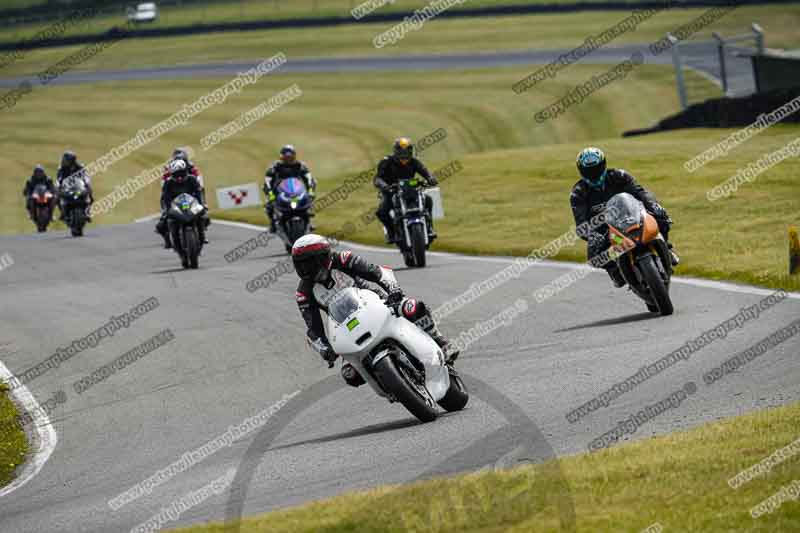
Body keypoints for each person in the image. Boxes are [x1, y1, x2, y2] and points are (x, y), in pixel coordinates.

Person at [292, 234, 459, 387]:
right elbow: (313, 329)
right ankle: (392, 386)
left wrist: (393, 290)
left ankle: (441, 342)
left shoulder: (344, 259)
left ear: (324, 256)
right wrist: (325, 349)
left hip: (377, 303)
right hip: (346, 327)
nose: (307, 269)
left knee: (413, 307)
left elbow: (377, 272)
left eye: (310, 263)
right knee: (350, 375)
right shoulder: (304, 293)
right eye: (301, 265)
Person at [569, 147, 679, 288]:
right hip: (605, 230)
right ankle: (615, 271)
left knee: (661, 217)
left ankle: (667, 248)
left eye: (596, 169)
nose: (593, 174)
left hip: (633, 215)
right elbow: (580, 223)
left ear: (603, 165)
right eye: (589, 171)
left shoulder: (619, 176)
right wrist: (591, 235)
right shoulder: (578, 193)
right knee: (593, 257)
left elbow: (641, 193)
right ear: (581, 171)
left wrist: (654, 206)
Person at [373, 137, 438, 243]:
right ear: (396, 151)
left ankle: (429, 228)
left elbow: (425, 171)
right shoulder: (386, 161)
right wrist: (384, 186)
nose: (404, 155)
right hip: (391, 192)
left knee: (428, 200)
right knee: (381, 212)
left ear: (410, 151)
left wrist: (430, 178)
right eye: (401, 151)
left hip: (411, 190)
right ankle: (391, 232)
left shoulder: (414, 162)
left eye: (407, 151)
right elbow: (377, 178)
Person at [157, 149, 206, 247]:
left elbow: (198, 191)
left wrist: (201, 205)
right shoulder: (169, 179)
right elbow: (165, 195)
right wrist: (166, 210)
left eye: (181, 174)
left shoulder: (191, 176)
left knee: (203, 216)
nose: (179, 177)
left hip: (189, 199)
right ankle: (167, 239)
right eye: (176, 175)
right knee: (162, 223)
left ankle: (202, 236)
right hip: (174, 200)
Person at [264, 145, 316, 233]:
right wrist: (270, 193)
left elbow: (309, 178)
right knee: (268, 205)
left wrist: (311, 191)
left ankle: (309, 221)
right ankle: (272, 223)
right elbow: (268, 181)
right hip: (279, 191)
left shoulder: (300, 165)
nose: (288, 159)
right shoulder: (275, 167)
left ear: (294, 156)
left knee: (308, 199)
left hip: (296, 190)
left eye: (290, 157)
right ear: (281, 157)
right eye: (286, 157)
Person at [56, 150, 93, 221]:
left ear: (72, 160)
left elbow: (85, 176)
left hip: (78, 187)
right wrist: (59, 186)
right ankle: (62, 213)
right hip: (67, 188)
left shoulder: (80, 167)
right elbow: (59, 178)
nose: (64, 161)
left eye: (66, 160)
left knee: (90, 196)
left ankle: (87, 212)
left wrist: (87, 183)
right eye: (64, 159)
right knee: (57, 197)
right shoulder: (61, 168)